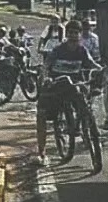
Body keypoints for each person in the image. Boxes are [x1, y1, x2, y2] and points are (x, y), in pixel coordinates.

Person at [35, 20, 100, 165]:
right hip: (56, 85)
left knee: (87, 107)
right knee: (42, 114)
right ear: (67, 34)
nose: (73, 35)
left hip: (75, 86)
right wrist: (45, 78)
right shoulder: (58, 50)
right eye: (70, 32)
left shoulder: (82, 51)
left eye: (76, 33)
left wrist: (100, 69)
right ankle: (42, 153)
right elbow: (46, 66)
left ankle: (88, 132)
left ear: (80, 34)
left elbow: (91, 63)